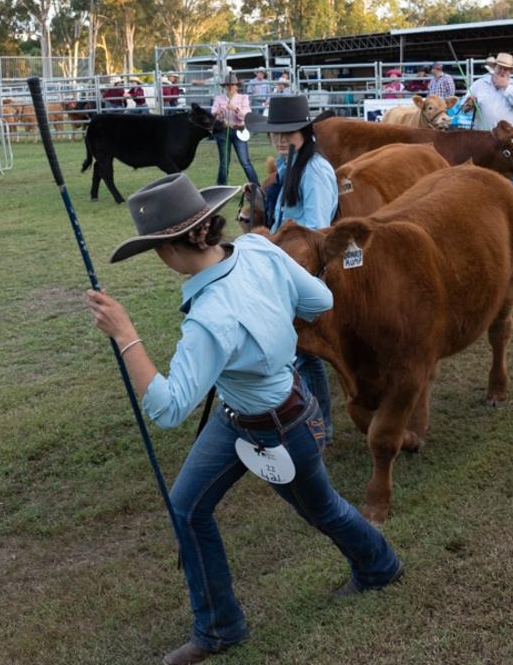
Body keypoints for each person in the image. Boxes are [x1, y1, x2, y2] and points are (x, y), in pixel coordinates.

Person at [84, 173, 403, 665]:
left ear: (172, 249)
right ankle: (218, 627)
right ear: (207, 227)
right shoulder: (258, 249)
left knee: (323, 510)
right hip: (247, 413)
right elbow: (321, 301)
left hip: (277, 427)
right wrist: (269, 315)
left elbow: (169, 409)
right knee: (187, 507)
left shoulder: (210, 319)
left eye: (155, 249)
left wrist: (126, 334)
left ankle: (380, 566)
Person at [245, 94, 339, 441]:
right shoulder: (291, 165)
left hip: (301, 270)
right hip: (286, 266)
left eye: (289, 132)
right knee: (298, 350)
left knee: (304, 351)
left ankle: (320, 426)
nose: (281, 140)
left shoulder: (314, 170)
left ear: (305, 130)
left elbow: (314, 229)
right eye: (275, 133)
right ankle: (312, 422)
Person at [210, 74, 259, 187]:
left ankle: (256, 187)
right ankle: (221, 187)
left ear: (237, 86)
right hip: (223, 131)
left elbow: (246, 116)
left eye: (232, 85)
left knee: (245, 161)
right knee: (224, 162)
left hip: (238, 130)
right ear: (225, 86)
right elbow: (213, 113)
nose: (230, 87)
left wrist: (236, 109)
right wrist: (218, 113)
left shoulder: (243, 98)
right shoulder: (219, 98)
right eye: (228, 85)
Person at [461, 52, 513, 132]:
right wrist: (469, 104)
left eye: (506, 69)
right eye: (500, 67)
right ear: (494, 68)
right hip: (483, 135)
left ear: (510, 72)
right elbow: (463, 107)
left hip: (509, 136)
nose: (502, 71)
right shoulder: (479, 84)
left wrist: (506, 87)